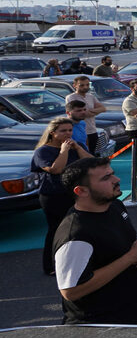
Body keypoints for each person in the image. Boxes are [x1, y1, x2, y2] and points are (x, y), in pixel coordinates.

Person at [53, 158, 137, 325]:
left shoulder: (115, 205)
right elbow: (70, 291)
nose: (117, 179)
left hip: (131, 316)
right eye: (106, 178)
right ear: (81, 191)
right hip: (98, 327)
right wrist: (131, 256)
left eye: (112, 174)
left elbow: (120, 251)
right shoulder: (75, 234)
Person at [32, 117, 92, 275]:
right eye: (63, 131)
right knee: (57, 229)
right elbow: (55, 169)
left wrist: (78, 148)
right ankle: (51, 265)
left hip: (75, 192)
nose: (68, 134)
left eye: (70, 130)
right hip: (53, 195)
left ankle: (78, 260)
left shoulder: (76, 147)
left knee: (80, 227)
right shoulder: (43, 151)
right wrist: (63, 151)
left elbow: (92, 163)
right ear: (52, 133)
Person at [70, 76, 106, 154]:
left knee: (92, 154)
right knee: (82, 154)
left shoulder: (90, 96)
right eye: (82, 85)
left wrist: (91, 111)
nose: (85, 87)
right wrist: (93, 112)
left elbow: (103, 108)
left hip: (92, 130)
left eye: (87, 85)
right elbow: (83, 114)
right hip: (80, 131)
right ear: (75, 85)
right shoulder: (71, 98)